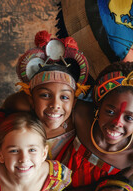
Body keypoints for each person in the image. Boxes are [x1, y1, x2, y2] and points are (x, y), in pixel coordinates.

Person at [59, 62, 133, 191]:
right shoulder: (80, 113)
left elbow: (105, 188)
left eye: (128, 117)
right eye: (110, 111)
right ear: (99, 106)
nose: (117, 123)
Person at [5, 30, 90, 161]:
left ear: (74, 102)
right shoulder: (21, 112)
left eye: (64, 97)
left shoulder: (79, 119)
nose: (55, 105)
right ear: (31, 100)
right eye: (45, 95)